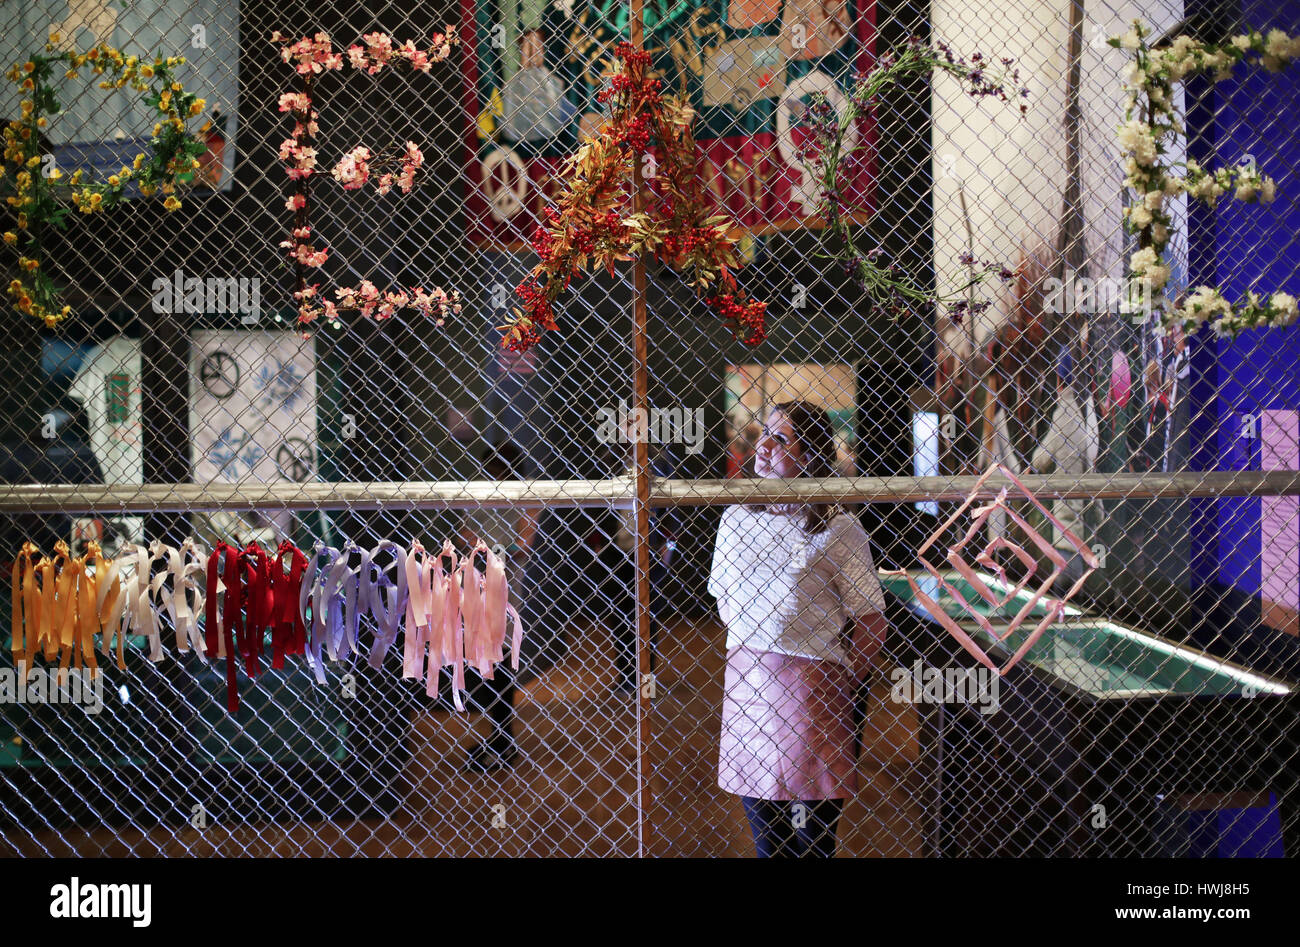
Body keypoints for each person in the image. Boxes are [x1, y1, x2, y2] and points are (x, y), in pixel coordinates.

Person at [708, 400, 889, 857]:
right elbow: (726, 603)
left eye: (782, 438)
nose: (764, 446)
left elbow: (871, 620)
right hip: (748, 685)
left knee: (812, 844)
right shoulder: (735, 518)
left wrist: (844, 683)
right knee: (769, 841)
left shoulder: (838, 527)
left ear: (810, 455)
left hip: (812, 692)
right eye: (764, 434)